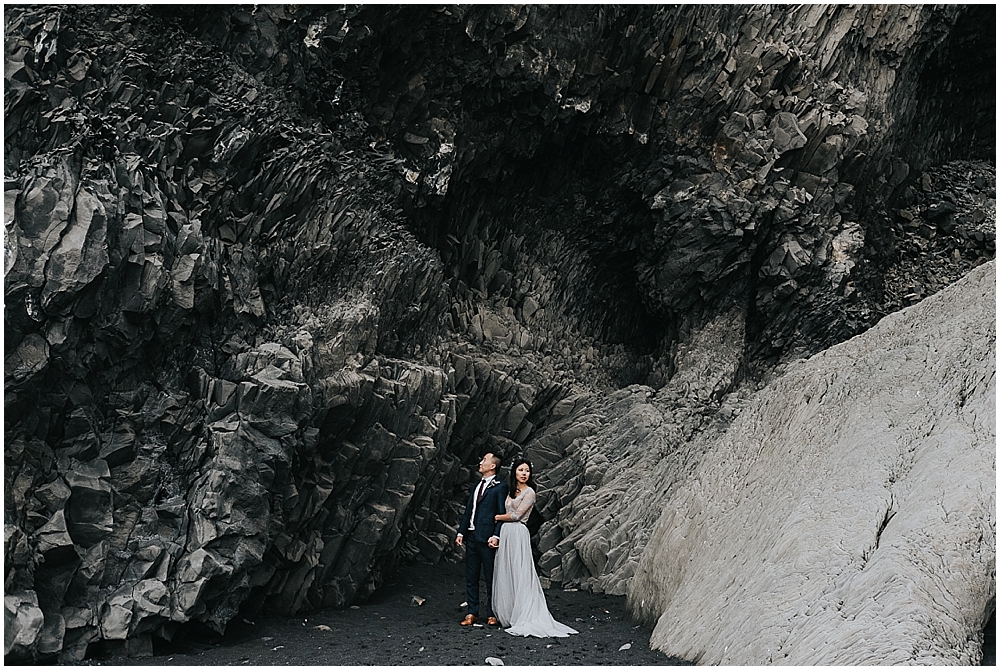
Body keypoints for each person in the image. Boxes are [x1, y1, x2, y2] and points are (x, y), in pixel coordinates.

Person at [491, 457, 578, 637]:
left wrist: (497, 517)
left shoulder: (530, 492)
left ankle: (524, 612)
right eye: (521, 470)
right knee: (506, 570)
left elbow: (516, 515)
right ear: (514, 471)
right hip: (507, 532)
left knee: (520, 570)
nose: (524, 474)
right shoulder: (510, 490)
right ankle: (508, 611)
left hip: (517, 531)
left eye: (527, 471)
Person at [455, 451, 508, 627]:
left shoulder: (500, 486)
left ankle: (492, 612)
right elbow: (469, 510)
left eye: (484, 460)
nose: (481, 462)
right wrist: (461, 532)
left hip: (487, 538)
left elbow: (501, 513)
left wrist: (496, 534)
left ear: (493, 466)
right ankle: (472, 612)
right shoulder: (476, 485)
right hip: (471, 536)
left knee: (491, 576)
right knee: (471, 575)